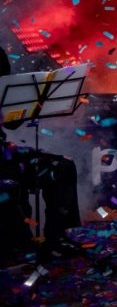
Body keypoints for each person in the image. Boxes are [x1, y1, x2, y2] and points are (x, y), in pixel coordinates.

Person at [0, 45, 84, 260]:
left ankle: (57, 237)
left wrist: (33, 106)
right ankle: (17, 242)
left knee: (62, 167)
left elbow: (10, 122)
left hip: (4, 152)